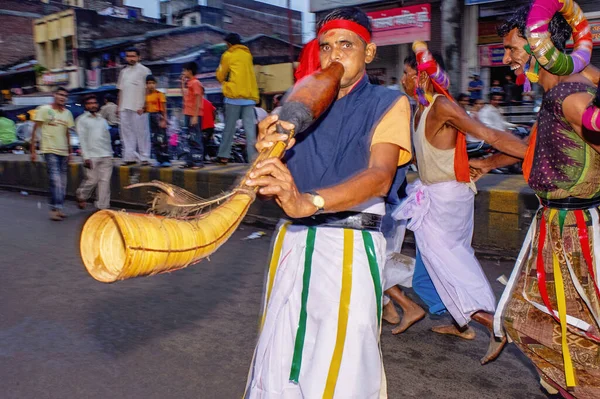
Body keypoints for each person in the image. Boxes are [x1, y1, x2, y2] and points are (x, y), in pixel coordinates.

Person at [243, 7, 412, 397]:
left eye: (346, 45)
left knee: (343, 357)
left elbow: (380, 176)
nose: (335, 55)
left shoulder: (389, 103)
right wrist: (268, 151)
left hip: (348, 245)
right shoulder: (296, 102)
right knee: (279, 349)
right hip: (292, 240)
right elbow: (278, 177)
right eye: (326, 46)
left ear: (368, 53)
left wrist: (309, 201)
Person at [470, 2, 600, 396]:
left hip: (573, 232)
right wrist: (490, 162)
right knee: (534, 318)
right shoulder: (562, 91)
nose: (506, 58)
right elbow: (536, 146)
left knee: (570, 326)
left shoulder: (568, 93)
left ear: (541, 47)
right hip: (555, 226)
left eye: (512, 49)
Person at [394, 43, 528, 365]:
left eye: (407, 73)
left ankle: (492, 324)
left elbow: (489, 134)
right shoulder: (419, 109)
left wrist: (520, 154)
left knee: (450, 264)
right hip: (436, 194)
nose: (402, 79)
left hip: (446, 199)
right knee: (432, 266)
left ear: (423, 78)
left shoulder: (441, 106)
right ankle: (459, 321)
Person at [30, 87, 74, 221]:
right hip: (49, 150)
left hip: (63, 151)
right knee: (55, 180)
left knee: (63, 183)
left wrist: (70, 152)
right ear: (54, 95)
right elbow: (35, 129)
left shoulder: (67, 113)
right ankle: (54, 209)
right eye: (60, 94)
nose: (62, 97)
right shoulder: (44, 110)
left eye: (65, 95)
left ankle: (59, 208)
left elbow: (67, 133)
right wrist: (33, 150)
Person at [216, 32, 259, 164]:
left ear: (229, 44)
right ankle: (253, 158)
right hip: (249, 97)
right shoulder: (247, 55)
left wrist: (224, 81)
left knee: (229, 128)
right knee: (250, 130)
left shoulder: (228, 55)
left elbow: (221, 75)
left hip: (233, 96)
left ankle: (224, 155)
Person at [75, 94, 113, 210]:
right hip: (91, 155)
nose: (93, 105)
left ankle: (103, 207)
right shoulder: (82, 120)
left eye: (95, 103)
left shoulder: (102, 119)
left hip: (106, 154)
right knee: (92, 180)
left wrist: (111, 153)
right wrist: (86, 157)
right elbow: (82, 139)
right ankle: (81, 195)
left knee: (104, 182)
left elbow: (107, 136)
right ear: (86, 106)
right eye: (90, 103)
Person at [117, 47, 151, 166]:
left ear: (138, 57)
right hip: (124, 107)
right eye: (128, 56)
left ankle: (144, 157)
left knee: (142, 132)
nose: (130, 58)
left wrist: (146, 105)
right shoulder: (123, 72)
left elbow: (149, 89)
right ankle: (129, 157)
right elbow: (120, 90)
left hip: (139, 106)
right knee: (126, 133)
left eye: (133, 56)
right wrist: (118, 107)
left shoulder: (145, 71)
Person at [180, 62, 204, 169]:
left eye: (184, 70)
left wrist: (195, 116)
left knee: (195, 138)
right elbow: (184, 96)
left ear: (189, 71)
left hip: (194, 114)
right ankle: (189, 161)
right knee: (188, 138)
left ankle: (198, 162)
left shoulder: (195, 83)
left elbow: (198, 98)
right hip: (187, 113)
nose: (183, 73)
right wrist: (181, 83)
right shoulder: (189, 83)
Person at [145, 75, 170, 167]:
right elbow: (146, 108)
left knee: (162, 139)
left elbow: (164, 109)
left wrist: (164, 120)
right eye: (148, 83)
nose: (151, 85)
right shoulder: (146, 96)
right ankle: (158, 160)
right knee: (154, 140)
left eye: (152, 83)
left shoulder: (159, 94)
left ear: (155, 84)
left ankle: (166, 160)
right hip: (150, 117)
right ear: (146, 85)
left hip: (158, 116)